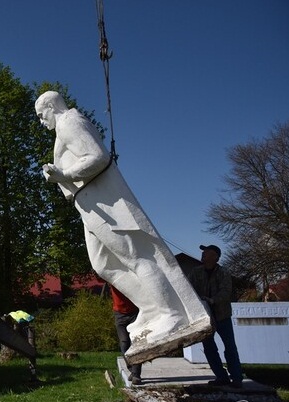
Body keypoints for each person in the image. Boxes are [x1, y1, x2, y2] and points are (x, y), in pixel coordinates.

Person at [35, 91, 211, 363]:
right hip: (89, 205)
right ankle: (152, 308)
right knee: (102, 265)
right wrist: (59, 178)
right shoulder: (61, 132)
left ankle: (172, 314)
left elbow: (98, 157)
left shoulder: (69, 121)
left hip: (106, 204)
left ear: (51, 106)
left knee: (136, 257)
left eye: (41, 114)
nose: (40, 120)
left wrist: (65, 175)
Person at [187, 244, 243, 388]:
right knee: (209, 349)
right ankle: (221, 376)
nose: (203, 254)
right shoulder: (196, 272)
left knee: (230, 347)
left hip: (222, 316)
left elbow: (226, 292)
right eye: (203, 252)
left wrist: (212, 300)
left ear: (215, 257)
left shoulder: (224, 273)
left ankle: (236, 378)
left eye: (207, 252)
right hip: (205, 318)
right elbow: (188, 289)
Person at [110, 285, 142, 385]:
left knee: (136, 343)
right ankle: (132, 368)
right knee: (124, 343)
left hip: (134, 312)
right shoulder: (112, 275)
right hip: (119, 314)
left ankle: (136, 374)